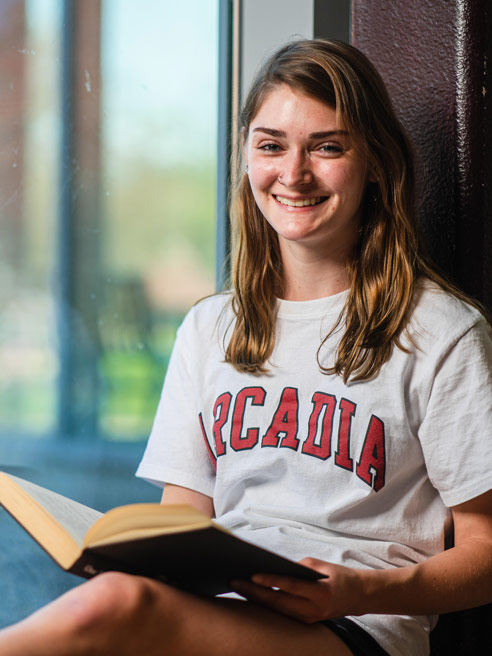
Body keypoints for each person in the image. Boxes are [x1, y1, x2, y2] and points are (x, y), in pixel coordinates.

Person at [1, 38, 492, 656]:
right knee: (115, 598)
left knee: (115, 609)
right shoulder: (210, 328)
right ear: (246, 159)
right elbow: (181, 515)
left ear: (375, 163)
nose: (293, 173)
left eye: (327, 146)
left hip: (354, 627)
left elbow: (486, 548)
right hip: (221, 607)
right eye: (271, 145)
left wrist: (360, 590)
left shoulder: (442, 331)